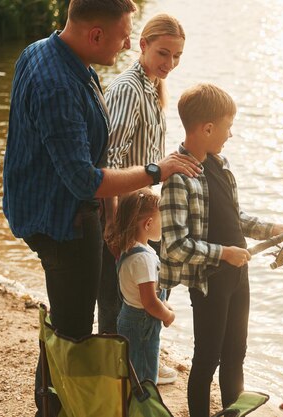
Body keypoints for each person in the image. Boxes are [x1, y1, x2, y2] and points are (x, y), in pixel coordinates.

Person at [1, 1, 200, 414]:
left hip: (51, 210)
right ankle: (53, 408)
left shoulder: (47, 52)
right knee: (73, 330)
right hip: (63, 223)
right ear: (95, 34)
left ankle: (51, 403)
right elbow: (85, 179)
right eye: (124, 34)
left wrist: (110, 216)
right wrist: (154, 172)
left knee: (65, 323)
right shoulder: (57, 82)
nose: (129, 42)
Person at [159, 83, 283, 417]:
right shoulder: (177, 177)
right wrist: (223, 253)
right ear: (208, 128)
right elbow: (175, 244)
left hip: (238, 275)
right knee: (207, 359)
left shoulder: (220, 164)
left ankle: (233, 413)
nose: (230, 134)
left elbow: (234, 217)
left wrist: (275, 229)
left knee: (235, 355)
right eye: (227, 127)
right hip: (210, 280)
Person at [97, 13, 186, 383]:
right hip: (122, 218)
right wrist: (115, 230)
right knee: (121, 300)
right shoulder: (129, 89)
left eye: (177, 56)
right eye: (163, 53)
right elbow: (109, 160)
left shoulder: (152, 87)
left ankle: (141, 357)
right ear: (143, 45)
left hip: (142, 216)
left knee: (146, 290)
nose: (170, 63)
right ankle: (119, 373)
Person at [105, 188, 175, 384]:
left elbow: (139, 292)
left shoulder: (129, 249)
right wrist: (167, 315)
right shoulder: (143, 259)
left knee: (131, 369)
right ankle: (141, 408)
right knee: (144, 374)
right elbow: (150, 302)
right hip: (143, 325)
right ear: (149, 223)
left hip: (129, 316)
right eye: (162, 221)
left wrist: (165, 304)